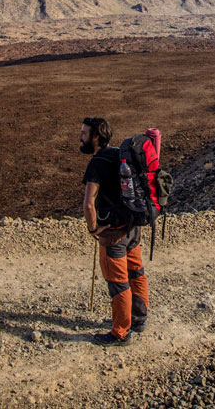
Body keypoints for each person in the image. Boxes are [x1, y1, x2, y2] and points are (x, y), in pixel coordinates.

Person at [80, 116, 149, 346]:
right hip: (132, 228)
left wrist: (93, 229)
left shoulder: (96, 163)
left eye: (84, 133)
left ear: (96, 136)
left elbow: (89, 203)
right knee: (136, 273)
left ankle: (121, 332)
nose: (81, 137)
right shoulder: (121, 154)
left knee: (118, 283)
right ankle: (139, 319)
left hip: (113, 235)